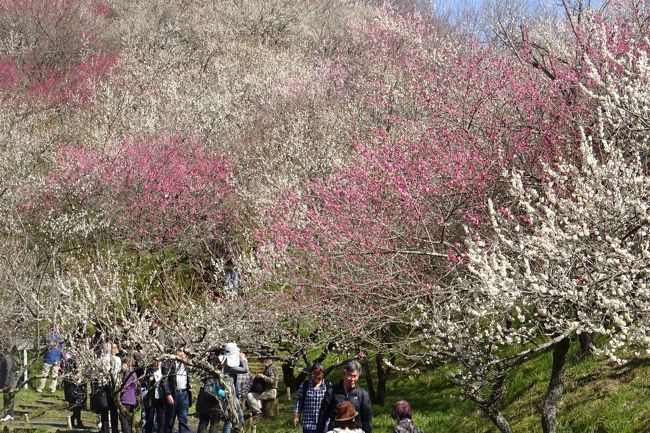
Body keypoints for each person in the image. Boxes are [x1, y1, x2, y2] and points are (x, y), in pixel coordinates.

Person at [316, 360, 372, 433]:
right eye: (349, 375)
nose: (352, 379)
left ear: (359, 376)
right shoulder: (332, 391)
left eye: (355, 376)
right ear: (344, 374)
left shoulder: (363, 394)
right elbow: (323, 416)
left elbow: (366, 420)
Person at [196, 351, 235, 433]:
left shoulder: (202, 371)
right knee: (215, 424)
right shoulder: (219, 373)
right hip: (216, 402)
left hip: (203, 401)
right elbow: (223, 389)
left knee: (203, 423)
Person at [292, 363, 331, 433]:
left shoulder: (328, 385)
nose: (316, 376)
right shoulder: (305, 385)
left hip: (324, 425)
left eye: (318, 373)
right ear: (310, 374)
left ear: (323, 374)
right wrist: (296, 416)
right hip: (308, 425)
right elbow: (299, 401)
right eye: (314, 373)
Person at [162, 347, 192, 433]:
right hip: (173, 394)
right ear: (176, 351)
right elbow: (164, 379)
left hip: (184, 394)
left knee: (183, 421)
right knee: (169, 422)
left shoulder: (187, 364)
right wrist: (168, 394)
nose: (182, 353)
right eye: (180, 351)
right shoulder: (169, 362)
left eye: (184, 351)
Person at [221, 342, 248, 432]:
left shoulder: (224, 362)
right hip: (229, 394)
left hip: (230, 393)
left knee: (235, 418)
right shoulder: (228, 366)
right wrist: (243, 359)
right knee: (232, 419)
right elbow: (245, 370)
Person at [245, 353, 277, 419]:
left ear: (267, 359)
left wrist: (262, 376)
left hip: (270, 391)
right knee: (251, 395)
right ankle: (255, 412)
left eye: (262, 360)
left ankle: (258, 413)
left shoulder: (272, 368)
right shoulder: (267, 368)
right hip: (266, 390)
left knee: (250, 396)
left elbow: (273, 381)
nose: (261, 362)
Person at [36, 323, 64, 393]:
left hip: (48, 359)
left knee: (44, 374)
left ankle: (40, 388)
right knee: (54, 375)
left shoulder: (47, 336)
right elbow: (63, 348)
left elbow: (40, 346)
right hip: (56, 359)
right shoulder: (59, 337)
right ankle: (52, 389)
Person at [63, 353, 87, 428]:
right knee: (75, 404)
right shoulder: (70, 362)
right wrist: (74, 377)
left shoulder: (85, 361)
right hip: (73, 386)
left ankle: (76, 420)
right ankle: (75, 420)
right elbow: (67, 374)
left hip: (81, 386)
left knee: (79, 405)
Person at [142, 361, 165, 433]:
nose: (157, 363)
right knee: (149, 419)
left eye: (159, 362)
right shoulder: (150, 371)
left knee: (161, 420)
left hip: (161, 398)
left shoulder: (164, 370)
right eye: (156, 362)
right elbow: (144, 382)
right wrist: (149, 379)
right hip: (151, 397)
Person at [119, 356, 139, 433]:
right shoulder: (134, 372)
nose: (122, 365)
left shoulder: (128, 373)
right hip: (132, 399)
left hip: (126, 399)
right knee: (129, 420)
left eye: (123, 363)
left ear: (127, 363)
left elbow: (125, 387)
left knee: (123, 418)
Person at [0, 344, 18, 422]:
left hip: (9, 382)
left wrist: (6, 384)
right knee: (6, 398)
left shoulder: (8, 359)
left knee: (9, 398)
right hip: (6, 382)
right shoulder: (4, 358)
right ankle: (8, 414)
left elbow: (8, 371)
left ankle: (9, 414)